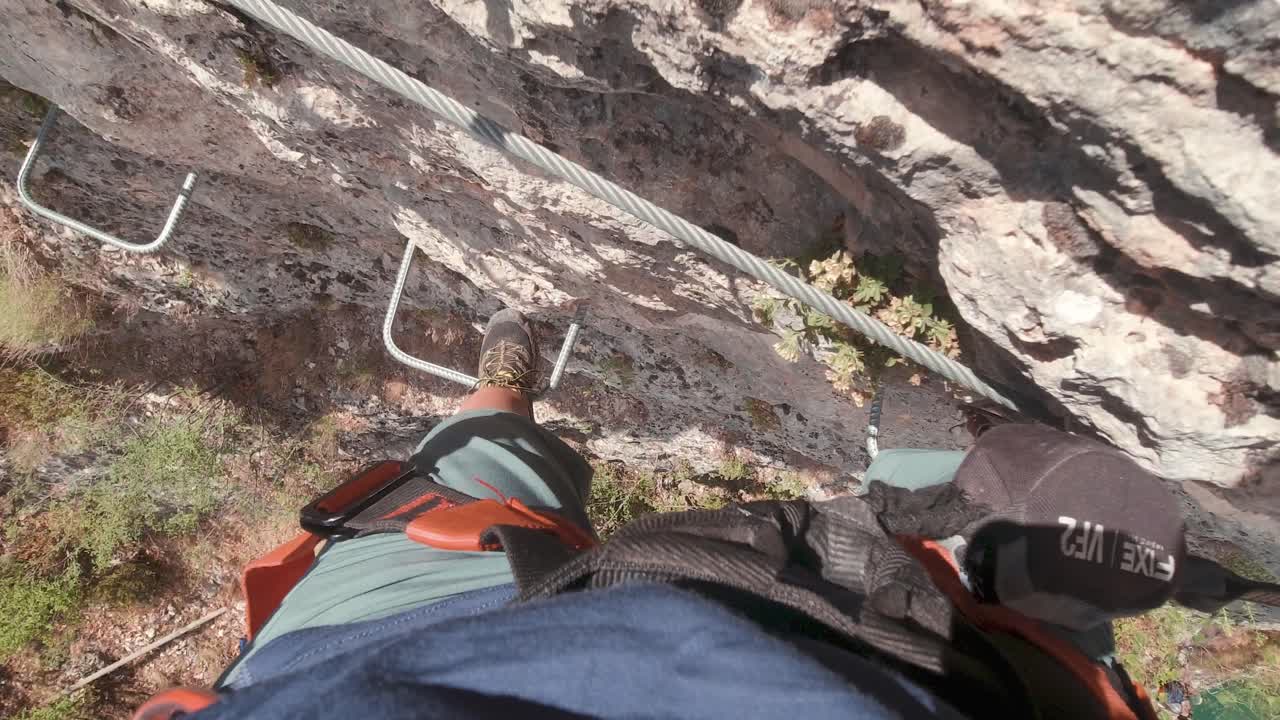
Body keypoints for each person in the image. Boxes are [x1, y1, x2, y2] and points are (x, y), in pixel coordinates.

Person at [138, 310, 1198, 720]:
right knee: (463, 501)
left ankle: (500, 385)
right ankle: (963, 557)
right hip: (365, 666)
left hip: (343, 664)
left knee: (457, 490)